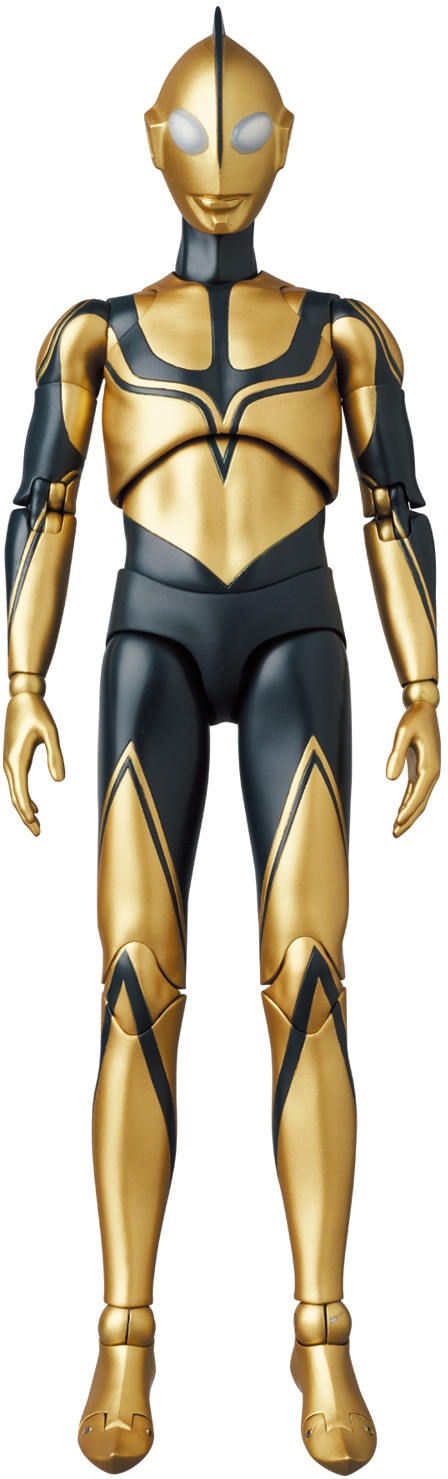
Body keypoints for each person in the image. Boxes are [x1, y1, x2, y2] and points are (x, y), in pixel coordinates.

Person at [3, 11, 440, 1474]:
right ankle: (123, 1335)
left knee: (309, 981)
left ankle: (324, 1338)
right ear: (151, 142)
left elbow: (393, 512)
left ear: (288, 144)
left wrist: (426, 681)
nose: (221, 159)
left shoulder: (345, 332)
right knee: (136, 984)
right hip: (151, 647)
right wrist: (21, 677)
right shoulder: (94, 335)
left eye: (249, 133)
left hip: (298, 645)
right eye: (195, 133)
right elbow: (43, 510)